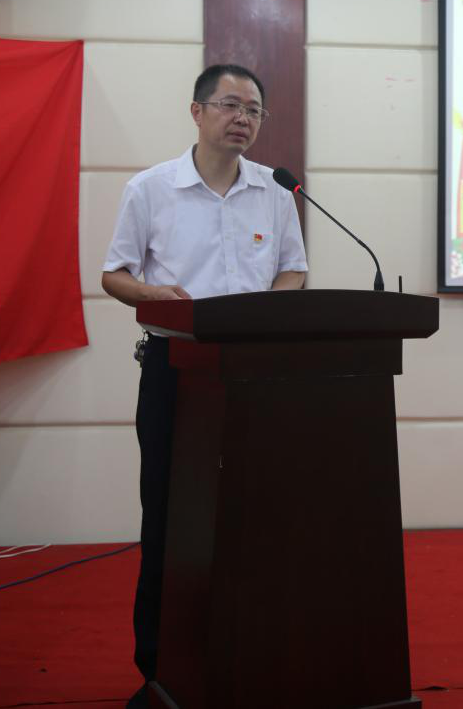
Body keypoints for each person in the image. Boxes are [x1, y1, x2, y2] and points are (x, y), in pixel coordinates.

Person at [100, 64, 307, 708]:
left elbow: (293, 271)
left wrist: (270, 313)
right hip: (177, 372)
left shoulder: (275, 192)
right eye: (230, 105)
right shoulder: (151, 189)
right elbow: (114, 274)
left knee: (258, 517)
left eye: (254, 109)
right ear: (197, 111)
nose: (243, 118)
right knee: (169, 516)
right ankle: (160, 665)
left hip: (257, 376)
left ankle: (254, 650)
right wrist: (153, 294)